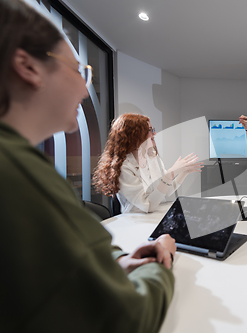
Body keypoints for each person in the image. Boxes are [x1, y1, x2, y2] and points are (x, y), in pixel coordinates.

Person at [0, 0, 177, 331]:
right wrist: (160, 262)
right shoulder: (16, 172)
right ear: (28, 66)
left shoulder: (19, 162)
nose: (85, 89)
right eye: (80, 71)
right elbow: (128, 316)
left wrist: (118, 260)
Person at [93, 113, 203, 213]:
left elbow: (166, 190)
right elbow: (148, 205)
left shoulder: (152, 157)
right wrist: (170, 174)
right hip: (135, 220)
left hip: (155, 215)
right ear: (135, 135)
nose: (154, 133)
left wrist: (184, 172)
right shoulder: (124, 167)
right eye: (150, 130)